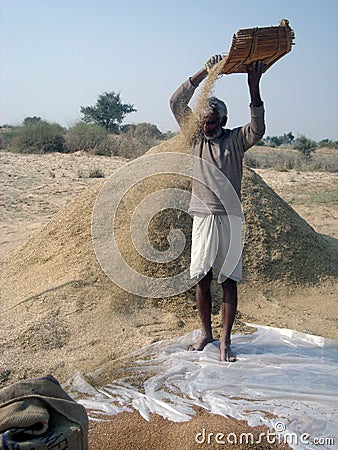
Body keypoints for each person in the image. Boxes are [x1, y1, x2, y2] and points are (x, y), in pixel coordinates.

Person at [170, 55, 265, 362]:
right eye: (203, 122)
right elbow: (175, 101)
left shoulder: (236, 140)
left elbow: (258, 128)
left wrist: (254, 86)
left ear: (223, 120)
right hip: (202, 216)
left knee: (229, 280)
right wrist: (204, 73)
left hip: (230, 218)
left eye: (211, 122)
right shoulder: (196, 138)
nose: (206, 126)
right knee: (202, 277)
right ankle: (206, 334)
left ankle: (225, 339)